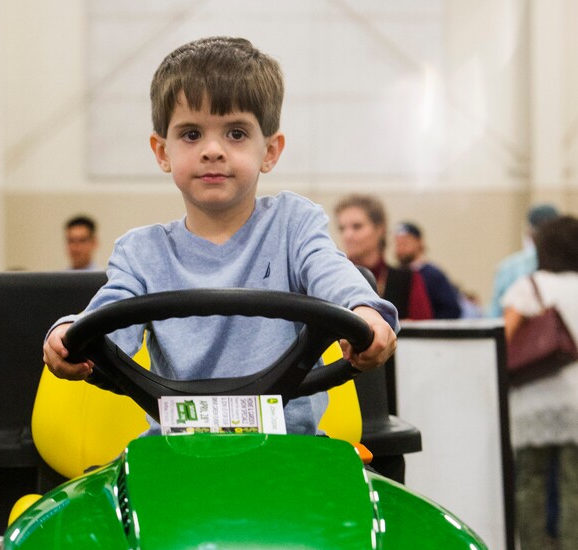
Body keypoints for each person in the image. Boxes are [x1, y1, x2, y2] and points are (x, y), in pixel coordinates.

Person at [44, 37, 398, 437]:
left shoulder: (293, 226)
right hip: (178, 456)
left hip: (290, 455)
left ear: (270, 150)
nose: (213, 150)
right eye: (191, 134)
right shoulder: (142, 254)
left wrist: (366, 312)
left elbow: (331, 272)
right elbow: (102, 325)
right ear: (162, 151)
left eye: (235, 133)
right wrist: (67, 335)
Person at [503, 215, 578, 550]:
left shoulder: (529, 287)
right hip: (577, 402)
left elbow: (504, 339)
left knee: (529, 484)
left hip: (534, 400)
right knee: (574, 489)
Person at [333, 195, 432, 321]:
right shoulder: (333, 279)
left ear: (380, 229)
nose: (347, 235)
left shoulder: (408, 279)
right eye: (342, 228)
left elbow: (423, 331)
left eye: (357, 226)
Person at [489, 203, 560, 317]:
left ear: (529, 231)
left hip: (519, 331)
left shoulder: (509, 267)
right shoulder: (569, 266)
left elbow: (495, 315)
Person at [393, 222, 461, 319]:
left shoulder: (433, 275)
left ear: (419, 242)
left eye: (405, 243)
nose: (400, 248)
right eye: (398, 244)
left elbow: (452, 310)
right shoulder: (394, 275)